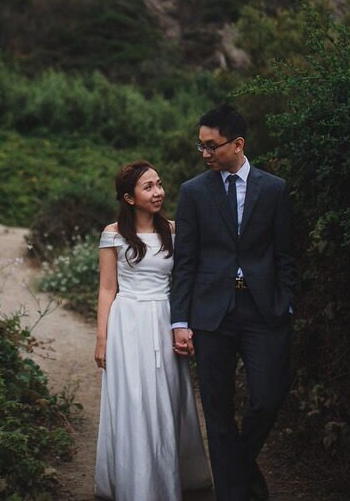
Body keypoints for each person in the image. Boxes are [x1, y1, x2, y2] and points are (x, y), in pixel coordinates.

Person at [170, 105, 297, 501]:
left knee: (266, 399)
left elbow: (287, 255)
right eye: (201, 146)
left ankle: (238, 470)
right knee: (218, 411)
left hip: (264, 311)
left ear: (237, 144)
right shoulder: (193, 192)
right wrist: (180, 320)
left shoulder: (274, 189)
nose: (204, 153)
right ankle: (234, 494)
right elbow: (186, 260)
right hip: (211, 313)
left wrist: (286, 302)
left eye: (212, 146)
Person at [94, 160, 213, 501]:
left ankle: (168, 478)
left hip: (164, 318)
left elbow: (186, 280)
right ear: (129, 197)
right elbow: (106, 289)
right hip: (127, 322)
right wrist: (102, 339)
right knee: (133, 400)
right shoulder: (113, 234)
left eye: (159, 184)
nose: (158, 192)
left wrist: (185, 325)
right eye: (148, 186)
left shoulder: (174, 231)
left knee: (166, 399)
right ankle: (136, 484)